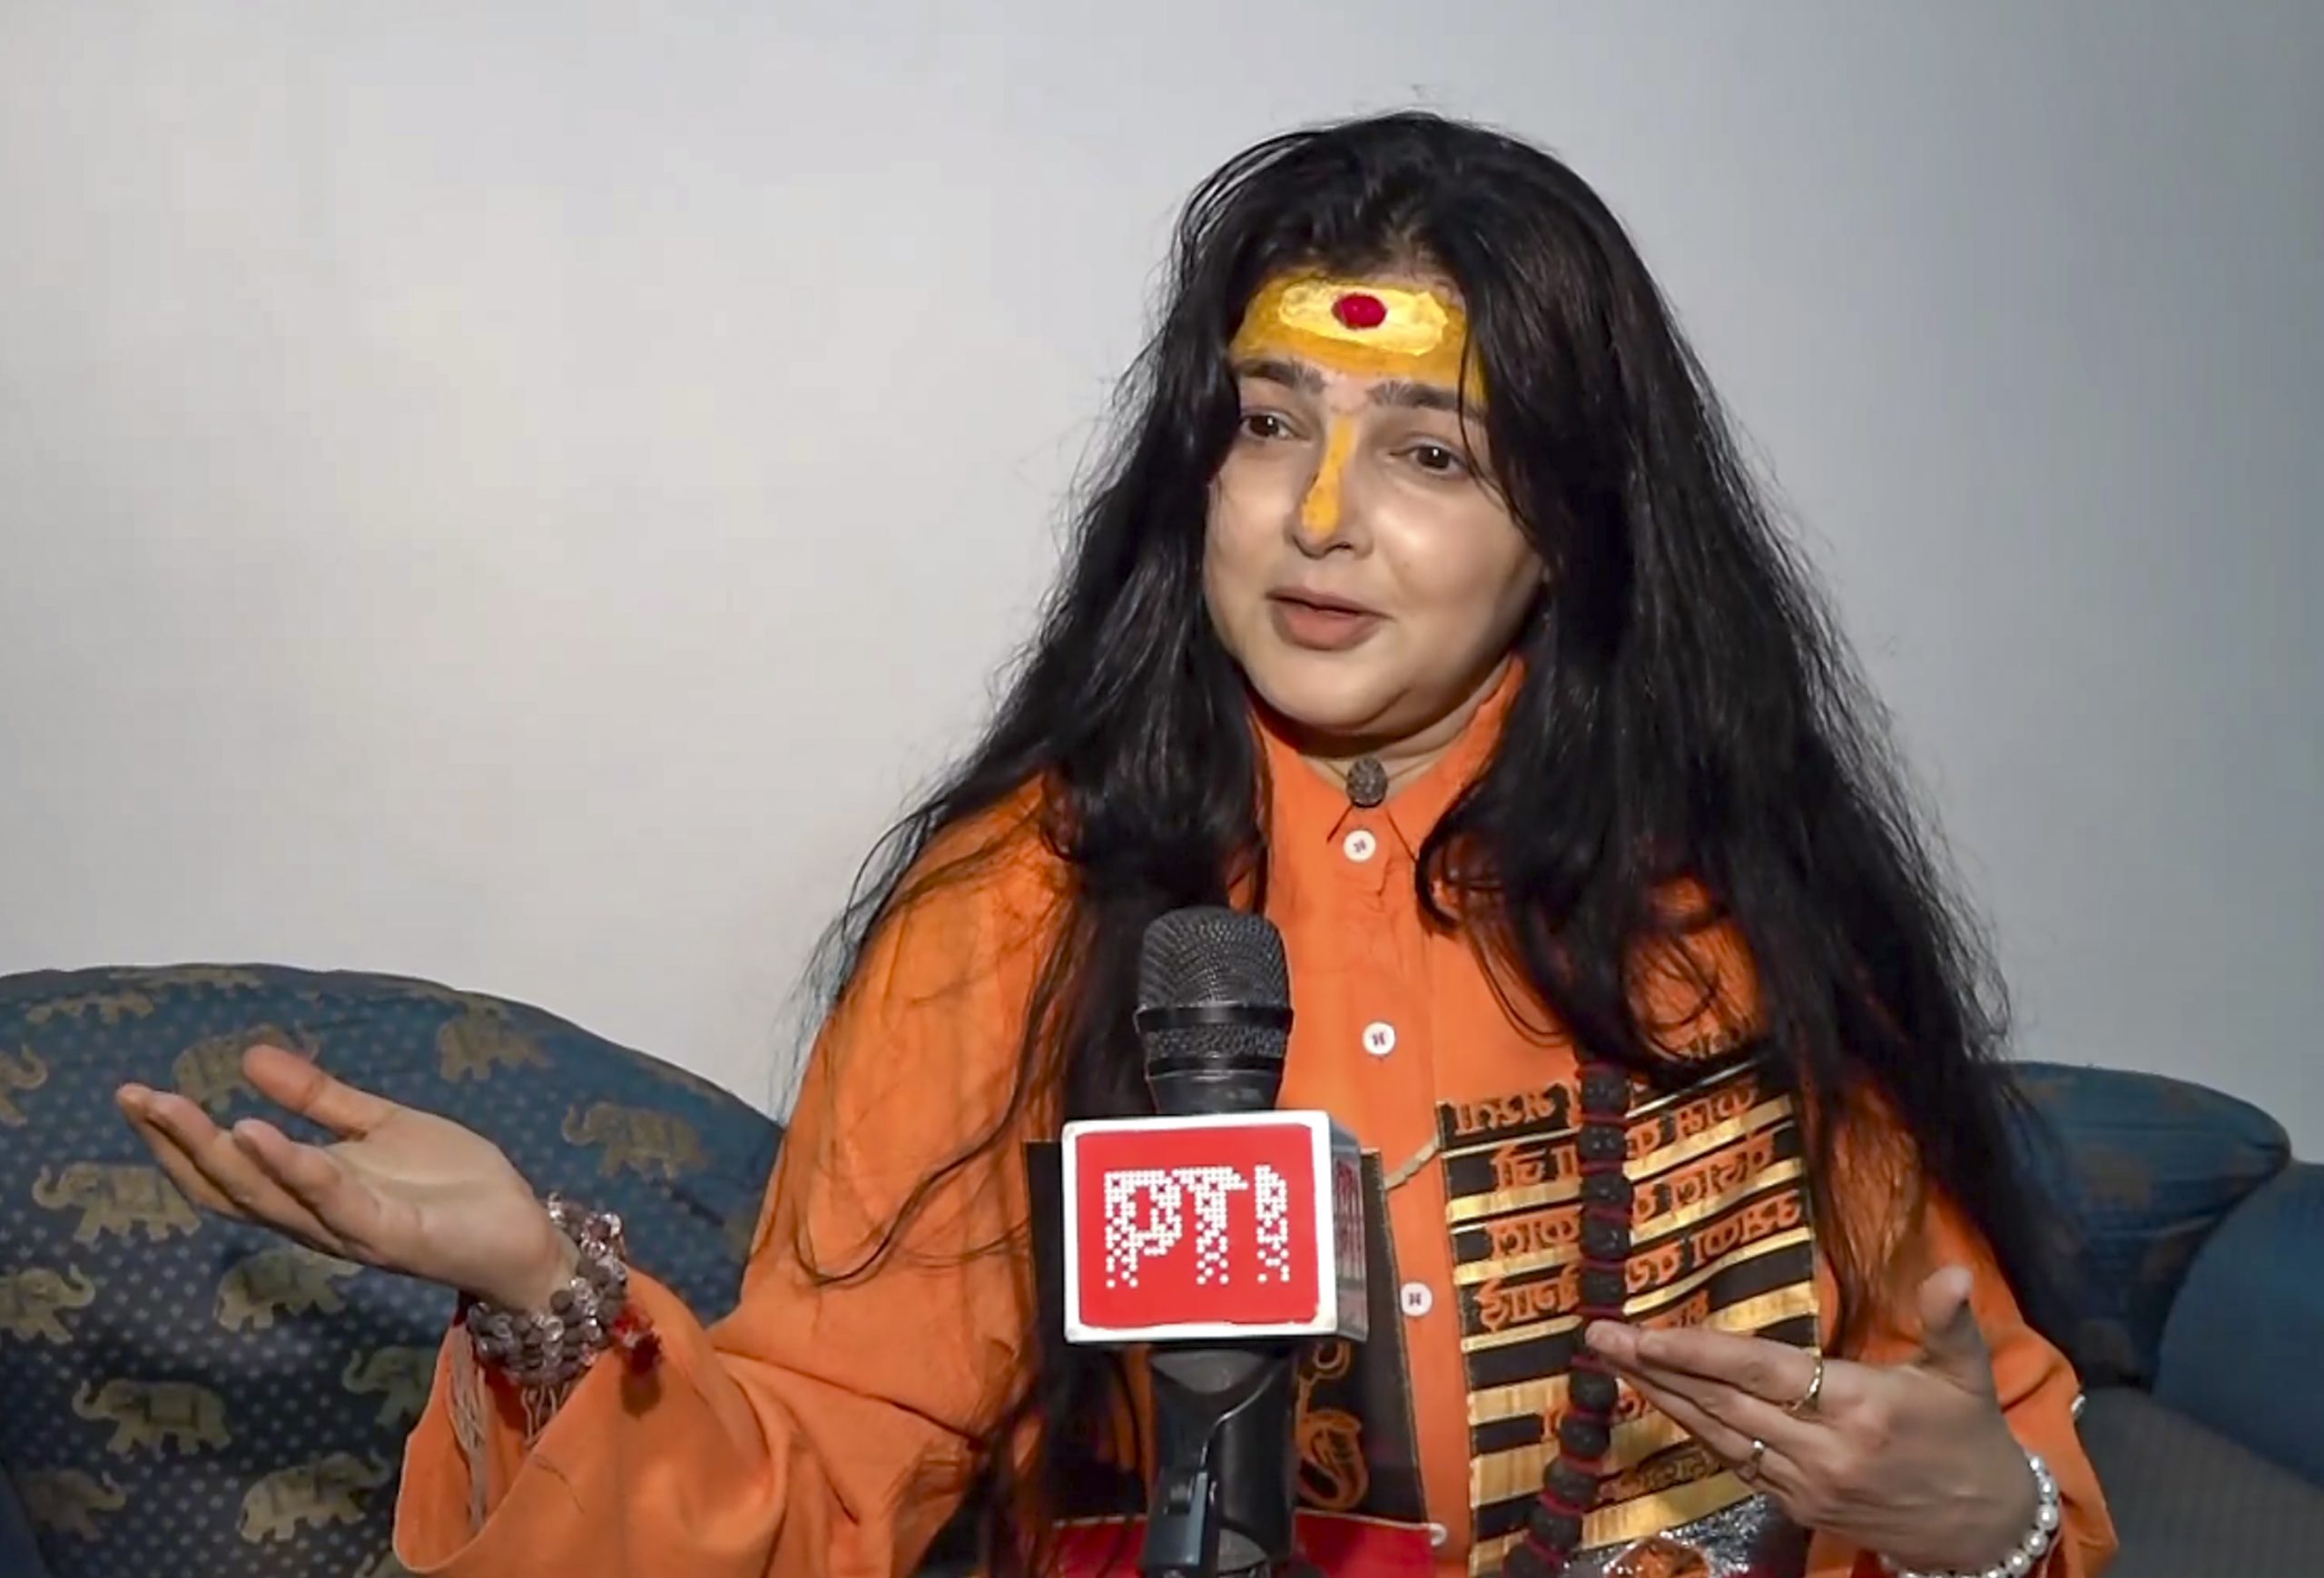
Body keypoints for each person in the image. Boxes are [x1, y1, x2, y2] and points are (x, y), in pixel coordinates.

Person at [115, 111, 2116, 1578]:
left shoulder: (1732, 913)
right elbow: (823, 1473)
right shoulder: (1022, 903)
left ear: (1570, 529)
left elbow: (1983, 1430)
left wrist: (1987, 1517)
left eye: (1427, 452)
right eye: (1270, 422)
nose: (1318, 515)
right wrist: (542, 1288)